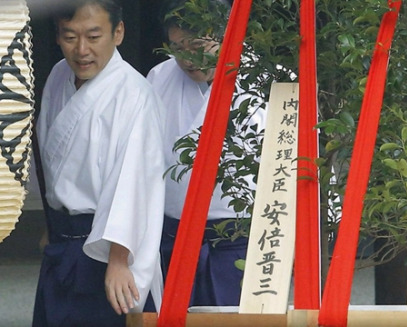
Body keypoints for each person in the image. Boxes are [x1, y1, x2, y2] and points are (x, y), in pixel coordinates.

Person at [33, 1, 166, 326]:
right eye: (70, 37)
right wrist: (52, 224)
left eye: (93, 37)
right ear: (57, 37)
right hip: (63, 241)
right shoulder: (58, 76)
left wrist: (119, 259)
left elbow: (134, 181)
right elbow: (52, 157)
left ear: (117, 32)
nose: (81, 50)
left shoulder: (135, 93)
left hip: (105, 248)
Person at [147, 0, 266, 307]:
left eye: (198, 45)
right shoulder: (158, 78)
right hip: (172, 237)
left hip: (239, 243)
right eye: (177, 47)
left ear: (228, 34)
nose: (188, 58)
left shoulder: (269, 81)